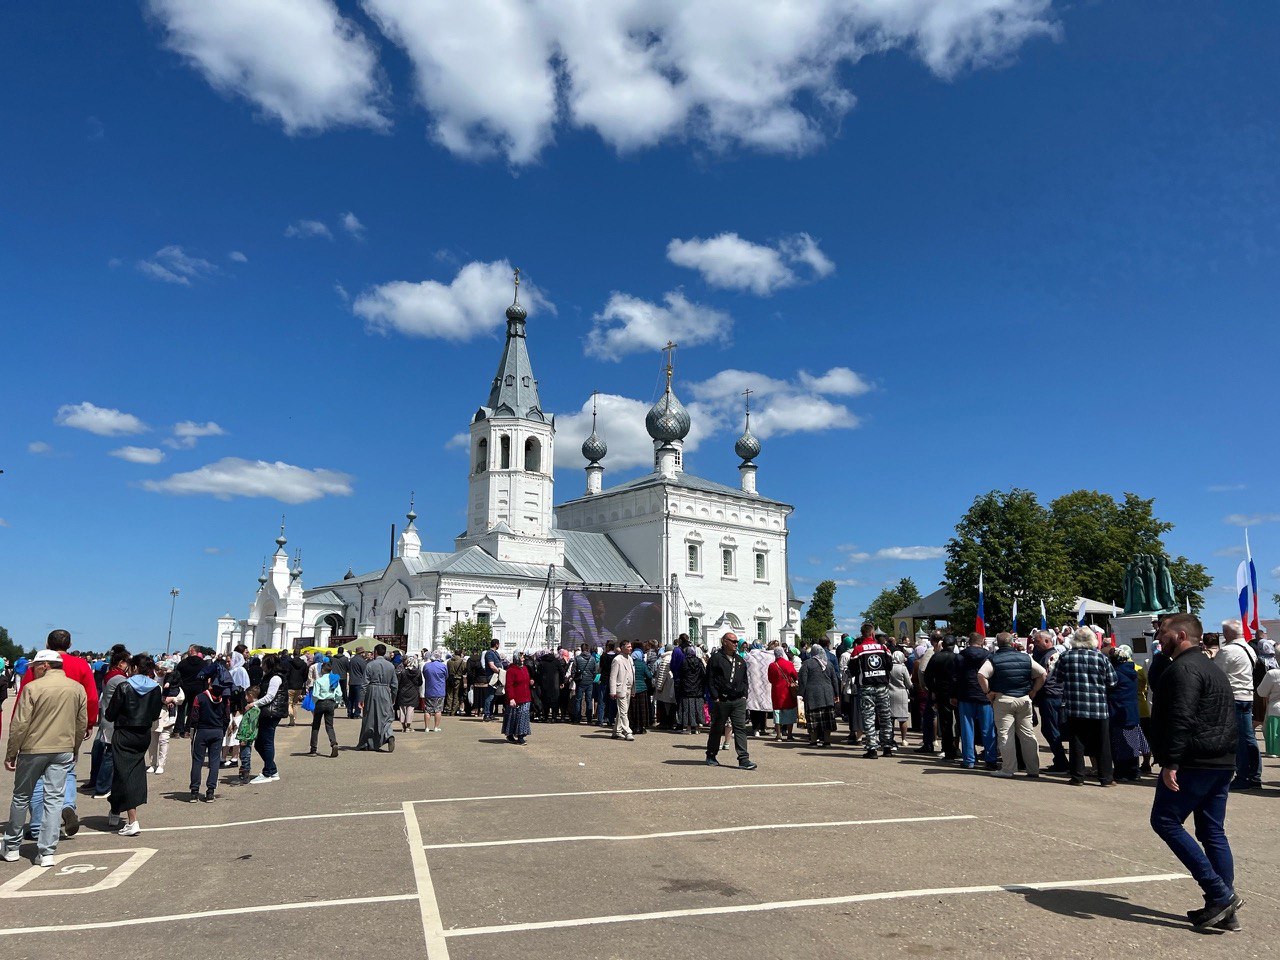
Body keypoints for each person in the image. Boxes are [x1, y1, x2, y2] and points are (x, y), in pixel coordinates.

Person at [1147, 614, 1242, 931]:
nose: (1159, 637)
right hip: (1220, 761)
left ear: (1181, 634)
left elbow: (1182, 717)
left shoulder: (1184, 669)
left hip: (1195, 761)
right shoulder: (1211, 668)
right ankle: (1224, 908)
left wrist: (1171, 762)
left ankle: (1220, 894)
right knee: (1212, 832)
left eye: (1163, 632)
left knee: (1164, 820)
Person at [2, 651, 88, 867]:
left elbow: (20, 723)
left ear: (45, 666)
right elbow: (81, 722)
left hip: (33, 749)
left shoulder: (32, 688)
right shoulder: (77, 688)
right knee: (54, 800)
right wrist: (75, 747)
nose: (32, 670)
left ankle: (11, 846)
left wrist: (11, 752)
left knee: (22, 796)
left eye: (34, 666)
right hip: (63, 748)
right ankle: (47, 851)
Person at [19, 629, 97, 842]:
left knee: (37, 778)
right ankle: (67, 805)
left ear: (47, 643)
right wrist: (89, 722)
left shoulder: (39, 663)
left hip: (38, 724)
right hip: (70, 724)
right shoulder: (81, 665)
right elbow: (91, 697)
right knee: (67, 770)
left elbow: (25, 693)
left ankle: (36, 825)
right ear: (69, 644)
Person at [105, 654, 164, 833]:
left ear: (135, 667)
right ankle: (115, 809)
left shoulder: (124, 686)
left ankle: (132, 821)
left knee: (128, 775)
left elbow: (110, 714)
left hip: (124, 732)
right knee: (123, 771)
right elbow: (155, 714)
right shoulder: (155, 688)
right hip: (143, 733)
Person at [977, 632, 1046, 779]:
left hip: (1004, 699)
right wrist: (1034, 690)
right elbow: (1042, 673)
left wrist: (988, 692)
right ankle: (1033, 769)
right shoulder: (1025, 657)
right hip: (1024, 699)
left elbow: (981, 675)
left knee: (1005, 734)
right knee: (1028, 735)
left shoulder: (993, 658)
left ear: (998, 643)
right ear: (1012, 643)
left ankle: (1008, 769)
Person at [1058, 626, 1118, 787]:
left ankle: (1077, 777)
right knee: (1102, 744)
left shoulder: (1065, 656)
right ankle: (1106, 778)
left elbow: (1057, 678)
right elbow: (1112, 681)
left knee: (1076, 743)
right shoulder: (1101, 658)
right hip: (1098, 707)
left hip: (1074, 706)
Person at [1214, 620, 1263, 791]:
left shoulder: (1227, 651)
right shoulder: (1249, 649)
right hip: (1247, 696)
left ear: (1226, 633)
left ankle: (1246, 776)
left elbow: (1216, 675)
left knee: (1241, 739)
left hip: (1233, 697)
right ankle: (1254, 775)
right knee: (1248, 737)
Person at [705, 633, 755, 769]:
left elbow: (745, 679)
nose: (735, 643)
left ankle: (743, 759)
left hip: (738, 699)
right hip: (722, 700)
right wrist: (715, 696)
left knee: (740, 729)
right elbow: (709, 679)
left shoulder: (740, 660)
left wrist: (744, 694)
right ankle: (711, 754)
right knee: (717, 728)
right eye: (732, 641)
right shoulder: (716, 659)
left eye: (736, 641)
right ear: (724, 642)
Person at [91, 651, 132, 799]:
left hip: (106, 717)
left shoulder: (110, 675)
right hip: (113, 721)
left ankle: (96, 782)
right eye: (127, 663)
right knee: (110, 754)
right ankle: (102, 788)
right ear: (121, 663)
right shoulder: (120, 678)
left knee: (101, 751)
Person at [952, 633, 997, 769]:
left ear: (969, 642)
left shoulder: (959, 656)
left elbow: (954, 677)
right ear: (982, 642)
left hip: (965, 695)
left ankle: (969, 760)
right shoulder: (989, 656)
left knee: (967, 729)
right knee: (988, 729)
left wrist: (954, 695)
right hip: (984, 695)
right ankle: (991, 759)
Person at [245, 654, 287, 784]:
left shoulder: (275, 678)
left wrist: (253, 704)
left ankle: (268, 772)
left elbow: (270, 697)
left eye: (264, 663)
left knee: (266, 742)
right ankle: (271, 769)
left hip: (271, 713)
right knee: (259, 743)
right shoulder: (269, 676)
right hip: (268, 712)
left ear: (269, 664)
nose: (262, 666)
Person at [1030, 629, 1069, 773]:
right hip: (1053, 695)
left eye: (1037, 641)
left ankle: (1061, 761)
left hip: (1051, 696)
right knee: (1050, 729)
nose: (1034, 643)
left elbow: (1045, 676)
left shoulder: (1052, 656)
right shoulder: (1048, 655)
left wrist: (1035, 690)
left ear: (1047, 641)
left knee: (1050, 729)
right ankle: (1060, 760)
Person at [188, 678, 230, 803]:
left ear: (210, 683)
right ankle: (210, 791)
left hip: (202, 731)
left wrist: (192, 732)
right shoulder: (225, 699)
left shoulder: (199, 697)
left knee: (197, 761)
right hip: (217, 731)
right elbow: (226, 717)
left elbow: (194, 717)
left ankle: (194, 792)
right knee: (215, 761)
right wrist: (222, 730)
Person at [798, 638, 839, 747]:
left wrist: (801, 694)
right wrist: (837, 694)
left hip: (812, 695)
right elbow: (834, 680)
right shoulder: (828, 664)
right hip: (827, 695)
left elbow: (803, 680)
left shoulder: (807, 664)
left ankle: (813, 741)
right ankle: (827, 741)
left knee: (813, 718)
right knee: (827, 719)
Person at [357, 645, 399, 752]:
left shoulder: (370, 665)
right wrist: (393, 697)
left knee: (370, 717)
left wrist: (361, 698)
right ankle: (389, 735)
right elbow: (395, 684)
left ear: (375, 652)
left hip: (372, 691)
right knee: (386, 716)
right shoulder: (390, 666)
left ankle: (367, 742)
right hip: (385, 691)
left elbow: (364, 683)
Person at [924, 636, 959, 760]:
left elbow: (927, 677)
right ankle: (958, 747)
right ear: (954, 645)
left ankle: (948, 750)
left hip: (942, 693)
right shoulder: (957, 658)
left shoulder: (935, 657)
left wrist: (933, 690)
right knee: (959, 722)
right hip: (956, 693)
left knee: (945, 722)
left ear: (943, 645)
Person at [148, 664, 182, 775]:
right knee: (153, 742)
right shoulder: (152, 683)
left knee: (164, 740)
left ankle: (161, 764)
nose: (160, 672)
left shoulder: (174, 683)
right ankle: (152, 764)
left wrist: (172, 699)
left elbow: (181, 697)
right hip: (154, 715)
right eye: (158, 669)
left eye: (162, 669)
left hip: (167, 715)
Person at [307, 660, 342, 757]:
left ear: (322, 670)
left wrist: (315, 702)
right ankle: (333, 743)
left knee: (316, 726)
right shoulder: (334, 680)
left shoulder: (319, 681)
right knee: (329, 726)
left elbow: (315, 694)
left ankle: (313, 749)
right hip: (330, 702)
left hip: (320, 703)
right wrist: (337, 702)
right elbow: (339, 694)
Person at [173, 645, 206, 737]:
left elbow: (177, 674)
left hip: (185, 687)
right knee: (192, 708)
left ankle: (177, 730)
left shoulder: (183, 663)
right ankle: (187, 730)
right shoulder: (203, 664)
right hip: (197, 688)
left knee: (181, 709)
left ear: (191, 651)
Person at [768, 645, 799, 740]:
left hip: (776, 691)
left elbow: (770, 679)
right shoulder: (789, 664)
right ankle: (789, 735)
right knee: (789, 712)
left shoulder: (772, 665)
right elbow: (795, 676)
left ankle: (778, 734)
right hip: (788, 691)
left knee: (777, 712)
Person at [503, 651, 532, 745]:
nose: (523, 659)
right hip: (516, 698)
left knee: (523, 716)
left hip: (526, 697)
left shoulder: (525, 668)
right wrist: (511, 698)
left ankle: (521, 736)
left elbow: (526, 680)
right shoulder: (511, 670)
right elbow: (509, 686)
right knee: (513, 717)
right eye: (521, 657)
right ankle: (510, 734)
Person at [745, 643, 773, 737]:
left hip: (752, 686)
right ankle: (762, 727)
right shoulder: (767, 656)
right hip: (765, 686)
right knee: (763, 708)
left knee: (754, 709)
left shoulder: (748, 657)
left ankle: (755, 729)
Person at [610, 641, 636, 741]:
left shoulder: (630, 658)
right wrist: (613, 691)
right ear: (622, 647)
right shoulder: (617, 659)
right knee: (624, 711)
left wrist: (633, 689)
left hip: (629, 688)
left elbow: (632, 675)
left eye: (630, 647)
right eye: (628, 647)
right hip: (620, 688)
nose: (630, 648)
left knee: (622, 711)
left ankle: (616, 731)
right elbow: (613, 676)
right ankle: (628, 732)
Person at [677, 644, 706, 734]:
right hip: (698, 689)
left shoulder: (684, 662)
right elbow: (704, 674)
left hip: (686, 689)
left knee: (688, 708)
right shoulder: (699, 661)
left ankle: (688, 728)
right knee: (697, 708)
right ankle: (697, 728)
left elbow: (680, 675)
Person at [235, 686, 260, 783]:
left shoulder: (254, 709)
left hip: (246, 736)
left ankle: (244, 776)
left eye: (246, 695)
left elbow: (250, 725)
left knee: (245, 755)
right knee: (243, 755)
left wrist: (245, 738)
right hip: (245, 736)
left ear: (250, 695)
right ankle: (243, 774)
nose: (245, 697)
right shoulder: (252, 708)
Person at [888, 651, 913, 747]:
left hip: (889, 693)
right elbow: (908, 683)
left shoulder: (889, 667)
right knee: (903, 719)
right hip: (901, 694)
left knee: (890, 719)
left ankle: (890, 738)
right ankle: (903, 739)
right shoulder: (903, 668)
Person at [422, 651, 449, 733]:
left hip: (429, 690)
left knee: (427, 710)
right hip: (439, 690)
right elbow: (446, 676)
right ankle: (436, 727)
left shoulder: (426, 666)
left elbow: (424, 675)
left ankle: (426, 727)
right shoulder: (443, 666)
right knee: (438, 710)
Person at [653, 645, 677, 729]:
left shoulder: (666, 659)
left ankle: (665, 723)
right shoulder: (673, 657)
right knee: (671, 705)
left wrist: (659, 687)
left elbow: (662, 674)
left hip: (665, 686)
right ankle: (671, 722)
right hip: (671, 684)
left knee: (665, 705)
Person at [395, 656, 421, 733]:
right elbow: (420, 683)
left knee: (402, 709)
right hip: (413, 692)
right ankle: (408, 727)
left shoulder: (402, 672)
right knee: (410, 709)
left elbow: (398, 682)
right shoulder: (418, 672)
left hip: (403, 692)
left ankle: (403, 726)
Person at [286, 651, 309, 726]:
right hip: (299, 686)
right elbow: (305, 675)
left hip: (290, 685)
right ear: (300, 654)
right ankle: (294, 719)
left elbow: (287, 674)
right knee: (295, 703)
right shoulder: (304, 664)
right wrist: (302, 681)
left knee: (289, 703)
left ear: (293, 654)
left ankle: (291, 716)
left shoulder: (289, 663)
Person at [482, 639, 503, 721]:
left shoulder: (495, 653)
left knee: (493, 696)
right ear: (496, 644)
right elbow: (491, 665)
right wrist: (500, 671)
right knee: (490, 696)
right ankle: (486, 714)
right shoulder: (489, 653)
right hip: (492, 676)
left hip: (496, 676)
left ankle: (490, 713)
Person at [445, 649, 467, 717]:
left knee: (449, 694)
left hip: (450, 678)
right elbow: (464, 670)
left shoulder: (449, 661)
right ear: (460, 654)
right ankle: (453, 711)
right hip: (458, 679)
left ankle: (448, 709)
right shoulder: (462, 661)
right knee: (456, 695)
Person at [346, 647, 367, 720]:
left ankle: (349, 713)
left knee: (351, 699)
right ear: (361, 653)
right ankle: (356, 714)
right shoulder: (362, 661)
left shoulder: (352, 660)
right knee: (358, 699)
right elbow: (364, 671)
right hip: (359, 682)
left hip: (352, 681)